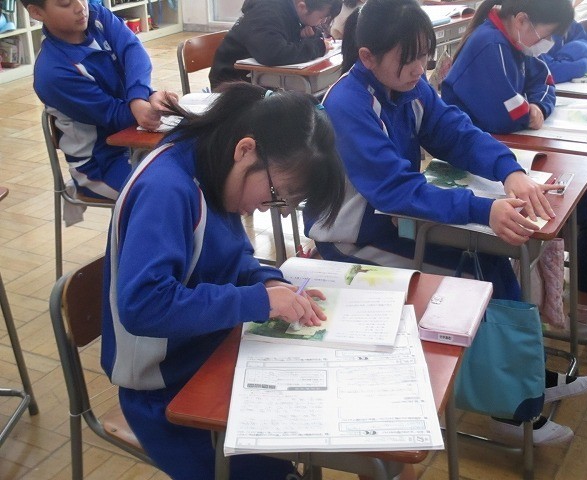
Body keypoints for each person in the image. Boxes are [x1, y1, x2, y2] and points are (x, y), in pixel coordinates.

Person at [306, 0, 587, 448]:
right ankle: (509, 408)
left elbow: (455, 132)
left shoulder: (407, 87)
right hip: (353, 238)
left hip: (393, 223)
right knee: (478, 272)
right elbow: (395, 190)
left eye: (425, 56)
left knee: (493, 264)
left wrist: (509, 171)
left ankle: (523, 379)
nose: (420, 69)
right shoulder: (348, 103)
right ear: (367, 57)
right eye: (409, 59)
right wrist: (483, 210)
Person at [100, 82, 345, 479]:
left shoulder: (214, 165)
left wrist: (268, 283)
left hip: (213, 355)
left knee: (307, 419)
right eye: (276, 195)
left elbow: (234, 259)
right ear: (246, 149)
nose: (273, 211)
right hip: (167, 394)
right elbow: (144, 305)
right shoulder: (167, 189)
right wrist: (257, 301)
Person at [442, 0, 587, 344]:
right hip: (483, 168)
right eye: (545, 36)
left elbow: (545, 81)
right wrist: (529, 108)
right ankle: (582, 311)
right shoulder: (489, 45)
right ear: (522, 20)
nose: (545, 44)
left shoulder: (515, 41)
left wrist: (538, 107)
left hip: (512, 156)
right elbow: (506, 115)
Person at [21, 0, 175, 203]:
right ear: (36, 12)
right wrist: (149, 106)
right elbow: (114, 116)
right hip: (99, 166)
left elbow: (133, 50)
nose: (80, 7)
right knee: (169, 195)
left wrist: (142, 96)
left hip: (135, 139)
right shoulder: (53, 72)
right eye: (65, 3)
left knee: (201, 169)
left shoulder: (96, 15)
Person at [209, 0, 342, 88]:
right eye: (321, 18)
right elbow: (273, 54)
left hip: (261, 79)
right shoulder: (267, 12)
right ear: (302, 7)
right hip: (231, 83)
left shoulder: (293, 11)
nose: (322, 22)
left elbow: (311, 33)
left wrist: (307, 37)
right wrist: (318, 47)